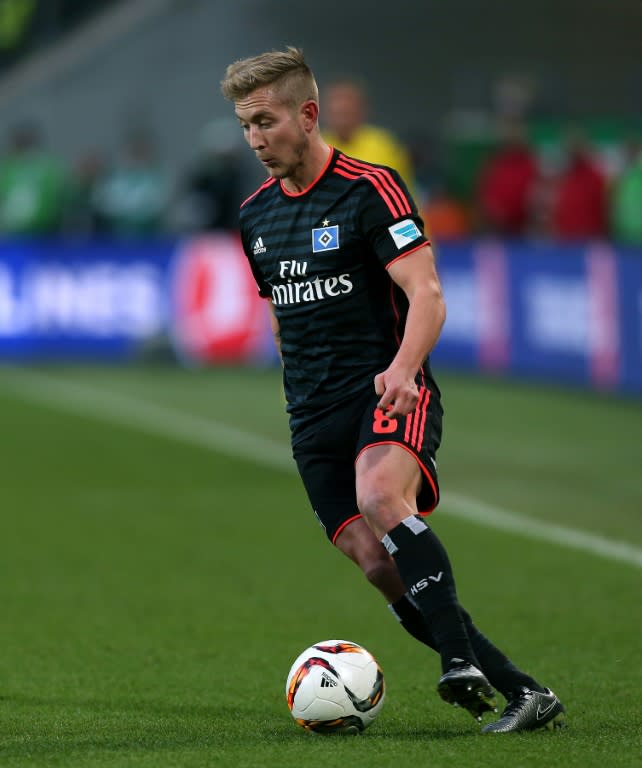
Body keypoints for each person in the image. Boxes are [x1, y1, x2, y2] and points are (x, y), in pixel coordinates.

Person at [220, 46, 565, 734]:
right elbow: (283, 314)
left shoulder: (369, 188)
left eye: (266, 121)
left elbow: (427, 294)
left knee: (382, 498)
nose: (256, 139)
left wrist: (405, 369)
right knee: (377, 564)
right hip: (310, 415)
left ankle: (456, 662)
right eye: (246, 126)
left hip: (385, 391)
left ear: (308, 114)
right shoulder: (256, 216)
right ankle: (523, 691)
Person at [321, 77, 417, 199]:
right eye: (338, 112)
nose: (342, 117)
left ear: (362, 110)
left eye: (346, 111)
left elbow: (404, 193)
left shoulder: (385, 146)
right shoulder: (313, 148)